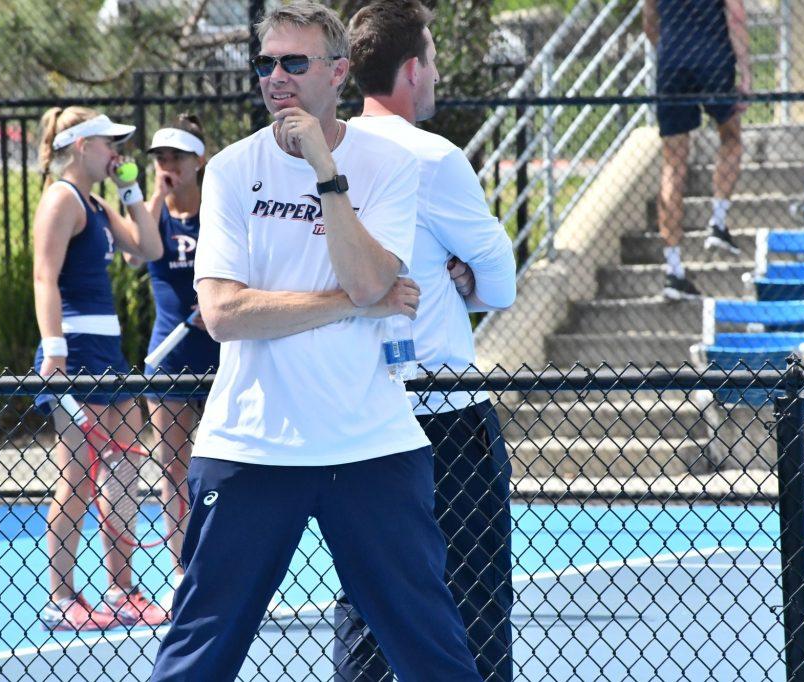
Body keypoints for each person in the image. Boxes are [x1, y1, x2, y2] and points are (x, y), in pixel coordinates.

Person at [149, 3, 481, 680]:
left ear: (338, 72)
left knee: (435, 653)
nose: (276, 77)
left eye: (294, 62)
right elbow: (224, 312)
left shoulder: (388, 165)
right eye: (266, 62)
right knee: (196, 657)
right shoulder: (232, 170)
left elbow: (368, 279)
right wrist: (349, 307)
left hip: (372, 445)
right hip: (252, 443)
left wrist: (326, 169)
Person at [335, 2, 517, 680]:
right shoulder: (433, 159)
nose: (435, 73)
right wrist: (462, 281)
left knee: (365, 607)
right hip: (443, 422)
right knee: (471, 610)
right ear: (412, 70)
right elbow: (500, 284)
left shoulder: (331, 154)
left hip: (359, 415)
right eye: (432, 60)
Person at [32, 106, 168, 630]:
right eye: (108, 142)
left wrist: (131, 190)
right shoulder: (60, 199)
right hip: (75, 353)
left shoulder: (96, 202)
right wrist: (55, 354)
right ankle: (61, 597)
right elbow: (44, 278)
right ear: (83, 145)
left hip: (108, 357)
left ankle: (120, 590)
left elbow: (149, 248)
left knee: (125, 471)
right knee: (78, 476)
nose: (117, 151)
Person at [125, 113, 220, 611]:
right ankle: (183, 571)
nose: (167, 166)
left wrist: (222, 303)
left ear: (198, 161)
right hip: (169, 356)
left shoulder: (221, 209)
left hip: (224, 356)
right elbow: (135, 258)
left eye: (177, 158)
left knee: (231, 467)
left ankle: (227, 566)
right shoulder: (152, 212)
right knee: (171, 466)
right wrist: (155, 198)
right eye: (161, 158)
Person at [643, 0, 750, 300]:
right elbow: (737, 15)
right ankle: (717, 223)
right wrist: (746, 73)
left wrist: (670, 52)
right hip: (713, 57)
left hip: (672, 62)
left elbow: (649, 22)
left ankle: (673, 269)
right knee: (731, 138)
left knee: (673, 164)